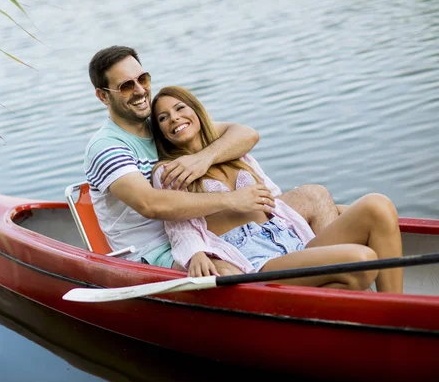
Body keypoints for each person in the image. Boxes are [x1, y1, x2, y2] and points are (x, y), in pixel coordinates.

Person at [83, 45, 342, 271]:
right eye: (126, 86)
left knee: (323, 202)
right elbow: (151, 204)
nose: (140, 90)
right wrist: (232, 200)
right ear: (103, 96)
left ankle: (340, 281)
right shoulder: (107, 146)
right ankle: (324, 281)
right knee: (222, 270)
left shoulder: (163, 124)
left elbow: (245, 134)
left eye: (143, 79)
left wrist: (203, 158)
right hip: (158, 249)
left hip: (207, 227)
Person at [150, 85, 403, 293]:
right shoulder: (169, 171)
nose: (174, 118)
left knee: (377, 205)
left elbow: (275, 200)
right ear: (161, 132)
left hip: (289, 239)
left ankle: (397, 313)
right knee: (361, 260)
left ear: (196, 110)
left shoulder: (236, 155)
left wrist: (332, 209)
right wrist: (196, 254)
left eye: (180, 107)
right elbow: (178, 227)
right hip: (254, 260)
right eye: (163, 117)